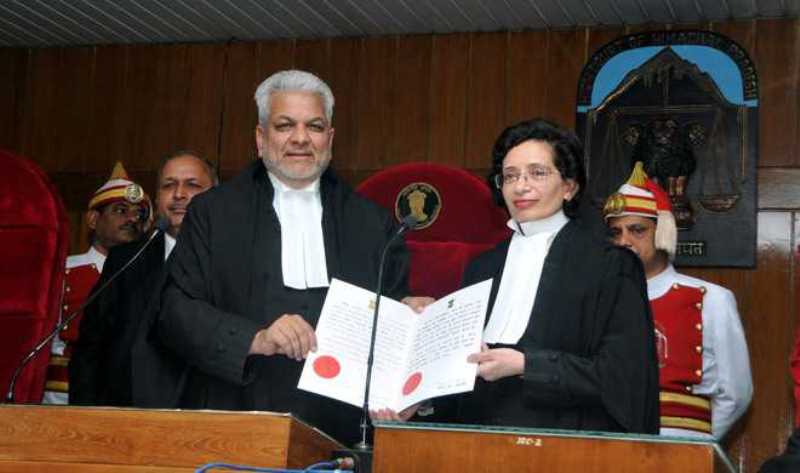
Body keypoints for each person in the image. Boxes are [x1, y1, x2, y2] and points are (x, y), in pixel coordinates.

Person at [156, 70, 419, 446]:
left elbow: (393, 315)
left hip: (341, 428)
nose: (300, 138)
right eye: (285, 125)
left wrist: (409, 340)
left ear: (330, 139)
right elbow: (175, 311)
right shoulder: (213, 213)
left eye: (314, 126)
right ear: (260, 138)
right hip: (238, 416)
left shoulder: (373, 223)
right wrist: (257, 337)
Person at [409, 119, 659, 433]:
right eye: (510, 175)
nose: (520, 186)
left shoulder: (610, 264)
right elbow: (462, 377)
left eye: (537, 173)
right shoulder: (482, 267)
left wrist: (527, 365)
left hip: (568, 444)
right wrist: (424, 398)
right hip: (477, 443)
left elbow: (625, 379)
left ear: (569, 187)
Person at [604, 162, 753, 440]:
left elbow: (736, 393)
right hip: (612, 443)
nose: (624, 241)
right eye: (616, 232)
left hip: (684, 442)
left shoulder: (712, 298)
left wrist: (695, 444)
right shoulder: (598, 302)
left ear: (662, 232)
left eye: (637, 230)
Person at [69, 151, 217, 406]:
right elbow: (90, 349)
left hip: (205, 416)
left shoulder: (235, 261)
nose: (179, 194)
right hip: (125, 413)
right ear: (157, 198)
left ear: (216, 197)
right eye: (168, 185)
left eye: (192, 185)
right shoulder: (126, 260)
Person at [42, 162, 149, 405]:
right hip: (62, 399)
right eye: (121, 210)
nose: (132, 219)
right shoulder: (63, 271)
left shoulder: (150, 276)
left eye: (139, 214)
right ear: (92, 219)